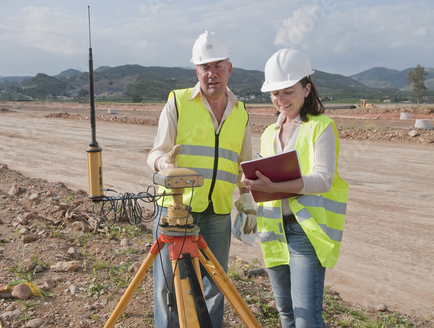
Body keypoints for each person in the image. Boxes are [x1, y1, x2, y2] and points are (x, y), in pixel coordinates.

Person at [147, 30, 256, 328]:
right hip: (175, 213)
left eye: (218, 65)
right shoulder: (178, 102)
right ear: (197, 70)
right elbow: (155, 152)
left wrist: (246, 199)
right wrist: (163, 162)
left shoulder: (241, 112)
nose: (212, 74)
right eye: (205, 67)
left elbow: (243, 163)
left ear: (229, 68)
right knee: (169, 290)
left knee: (216, 288)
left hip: (218, 213)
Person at [241, 48, 348, 328]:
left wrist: (273, 184)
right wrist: (254, 184)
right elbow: (268, 184)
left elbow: (323, 180)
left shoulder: (321, 128)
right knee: (286, 314)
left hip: (304, 233)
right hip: (273, 229)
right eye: (275, 93)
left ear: (306, 88)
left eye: (288, 91)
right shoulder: (268, 134)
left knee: (306, 319)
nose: (281, 99)